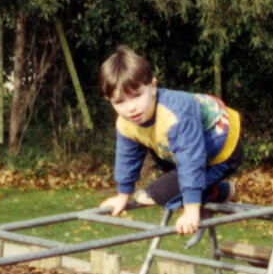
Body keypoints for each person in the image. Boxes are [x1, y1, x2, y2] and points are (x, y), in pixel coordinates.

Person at [96, 46, 243, 239]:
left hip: (223, 150)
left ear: (153, 86)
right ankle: (218, 191)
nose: (131, 108)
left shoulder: (175, 114)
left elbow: (190, 160)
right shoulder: (125, 123)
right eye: (120, 102)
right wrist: (122, 196)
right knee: (159, 188)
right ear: (109, 100)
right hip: (180, 152)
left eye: (137, 96)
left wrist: (191, 210)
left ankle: (212, 192)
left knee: (158, 193)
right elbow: (127, 157)